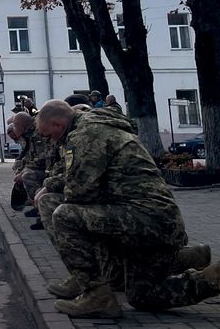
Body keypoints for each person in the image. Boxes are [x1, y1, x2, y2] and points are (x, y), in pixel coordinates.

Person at [33, 99, 219, 318]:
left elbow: (80, 192)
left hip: (144, 219)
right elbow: (86, 176)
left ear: (57, 125)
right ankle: (207, 274)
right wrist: (51, 184)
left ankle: (95, 294)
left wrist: (50, 188)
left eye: (47, 135)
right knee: (142, 296)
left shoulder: (85, 134)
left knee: (64, 214)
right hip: (155, 221)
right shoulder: (97, 127)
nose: (50, 141)